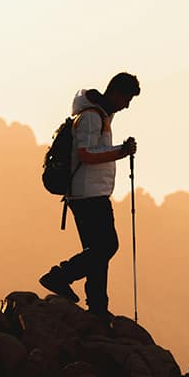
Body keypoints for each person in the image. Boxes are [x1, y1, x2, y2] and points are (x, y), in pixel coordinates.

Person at [39, 72, 140, 319]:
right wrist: (121, 151)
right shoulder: (90, 118)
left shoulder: (100, 114)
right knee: (106, 246)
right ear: (116, 93)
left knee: (96, 250)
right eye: (126, 99)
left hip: (92, 192)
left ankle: (97, 307)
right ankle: (59, 276)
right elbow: (85, 154)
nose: (126, 105)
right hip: (87, 194)